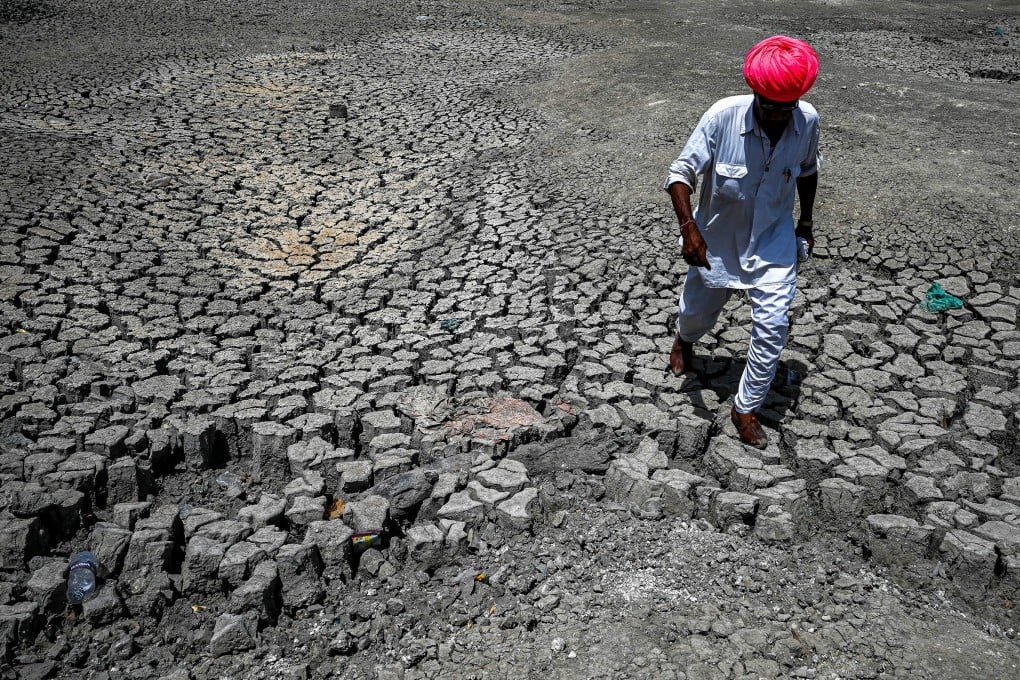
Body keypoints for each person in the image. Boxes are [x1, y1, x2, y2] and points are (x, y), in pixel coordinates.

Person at [663, 35, 821, 448]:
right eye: (769, 106)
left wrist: (805, 223)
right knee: (697, 314)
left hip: (773, 242)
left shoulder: (807, 121)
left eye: (786, 108)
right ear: (755, 92)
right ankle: (684, 338)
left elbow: (807, 171)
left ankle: (745, 406)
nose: (777, 116)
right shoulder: (722, 117)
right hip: (716, 240)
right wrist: (689, 229)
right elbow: (680, 173)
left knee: (772, 327)